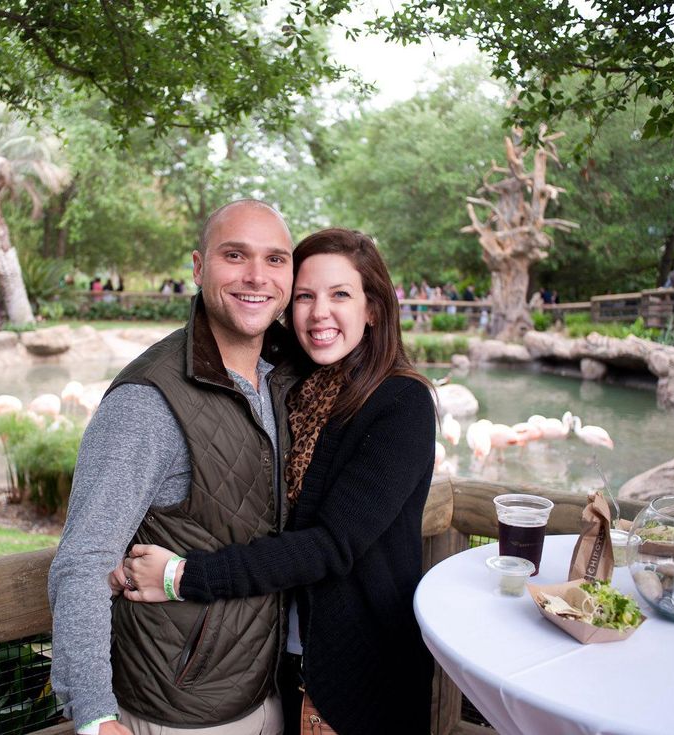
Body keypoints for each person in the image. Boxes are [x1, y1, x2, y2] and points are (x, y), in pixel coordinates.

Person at [116, 229, 437, 735]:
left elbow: (331, 545)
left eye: (340, 295)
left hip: (352, 680)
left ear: (373, 308)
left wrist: (184, 576)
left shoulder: (400, 405)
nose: (319, 313)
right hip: (272, 667)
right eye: (305, 296)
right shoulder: (294, 386)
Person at [48, 199, 298, 735]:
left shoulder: (283, 379)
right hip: (179, 711)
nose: (257, 276)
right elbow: (83, 561)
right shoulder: (149, 401)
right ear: (198, 266)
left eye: (276, 259)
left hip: (264, 690)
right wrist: (94, 715)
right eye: (236, 255)